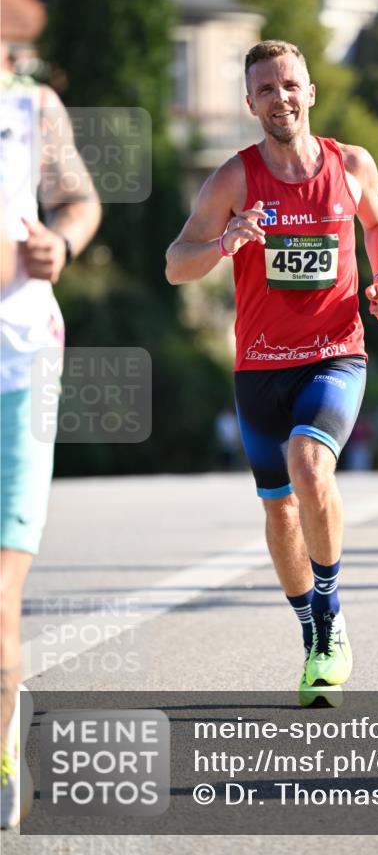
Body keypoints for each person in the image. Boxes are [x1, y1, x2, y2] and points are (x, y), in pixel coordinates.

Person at [166, 40, 378, 703]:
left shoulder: (350, 164)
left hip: (334, 355)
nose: (279, 98)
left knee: (309, 465)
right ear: (249, 104)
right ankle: (312, 636)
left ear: (310, 91)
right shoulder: (233, 180)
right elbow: (175, 262)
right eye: (265, 90)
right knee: (279, 513)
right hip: (259, 370)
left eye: (288, 85)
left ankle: (328, 611)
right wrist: (221, 243)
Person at [0, 46, 101, 828]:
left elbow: (78, 199)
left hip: (21, 361)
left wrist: (60, 243)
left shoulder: (33, 106)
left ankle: (1, 747)